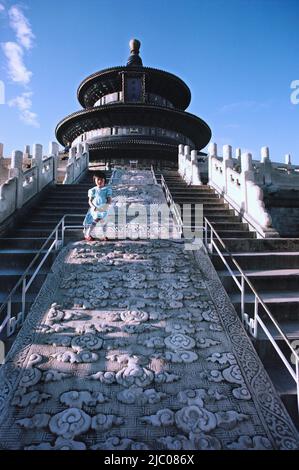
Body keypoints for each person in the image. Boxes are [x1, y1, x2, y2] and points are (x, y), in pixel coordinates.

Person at [83, 171, 112, 241]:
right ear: (95, 180)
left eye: (101, 180)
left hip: (104, 208)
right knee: (96, 219)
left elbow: (109, 199)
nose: (100, 181)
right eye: (98, 179)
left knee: (104, 222)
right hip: (95, 208)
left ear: (104, 180)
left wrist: (106, 206)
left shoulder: (107, 189)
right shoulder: (92, 190)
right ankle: (88, 234)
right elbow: (90, 201)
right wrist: (94, 207)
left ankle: (104, 235)